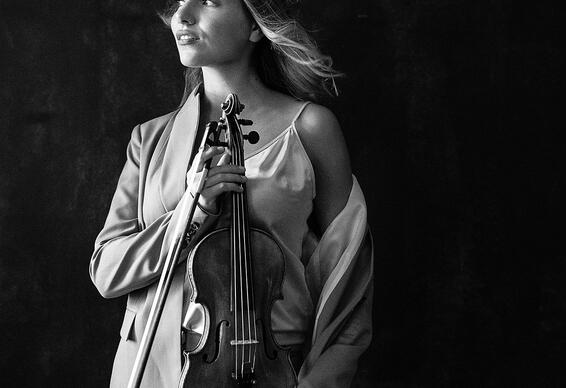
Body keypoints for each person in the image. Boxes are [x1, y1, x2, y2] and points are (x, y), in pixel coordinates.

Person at [89, 0, 373, 386]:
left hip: (273, 371)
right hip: (158, 372)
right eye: (180, 2)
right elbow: (107, 272)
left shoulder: (311, 128)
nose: (182, 16)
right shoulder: (150, 139)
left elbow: (348, 283)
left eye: (208, 2)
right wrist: (192, 210)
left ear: (255, 27)